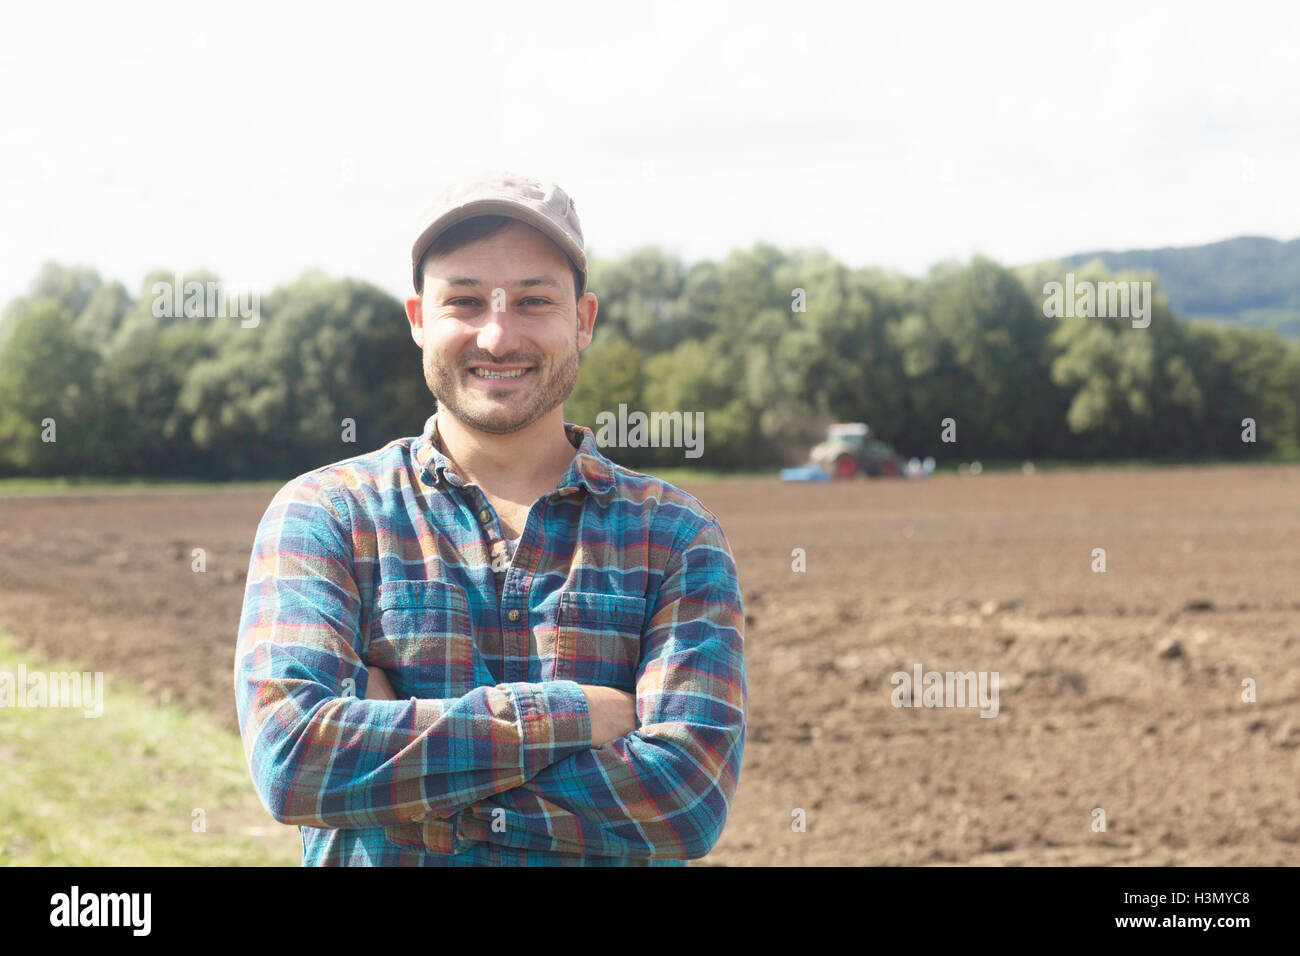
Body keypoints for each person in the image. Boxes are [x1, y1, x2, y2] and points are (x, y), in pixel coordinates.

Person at [233, 172, 747, 865]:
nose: (499, 336)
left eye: (534, 301)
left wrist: (395, 776)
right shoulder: (329, 515)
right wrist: (574, 718)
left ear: (583, 320)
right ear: (419, 320)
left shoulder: (675, 538)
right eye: (466, 301)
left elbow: (686, 802)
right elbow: (295, 761)